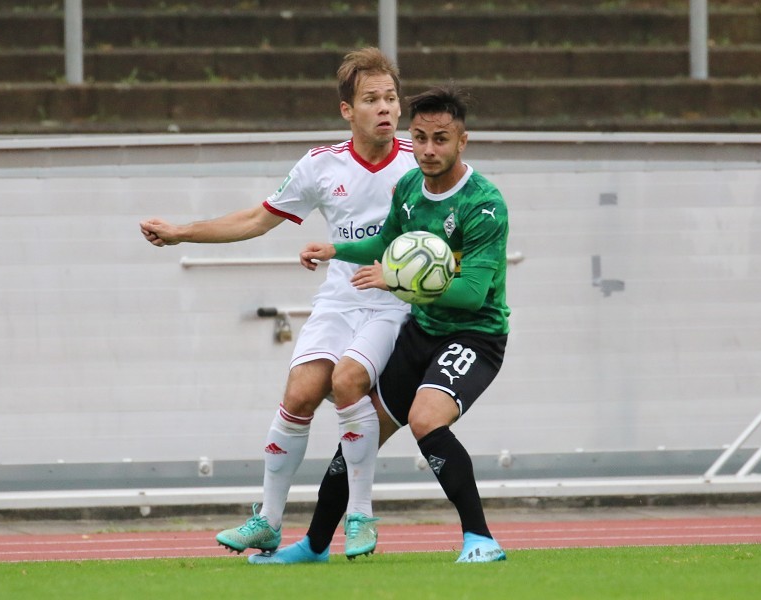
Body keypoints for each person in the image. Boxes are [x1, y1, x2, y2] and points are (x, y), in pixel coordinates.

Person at [139, 48, 416, 555]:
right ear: (346, 111)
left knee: (349, 380)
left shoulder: (418, 164)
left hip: (390, 303)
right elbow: (254, 220)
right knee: (299, 394)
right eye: (371, 99)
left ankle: (361, 517)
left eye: (391, 98)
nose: (385, 108)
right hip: (338, 301)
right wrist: (182, 232)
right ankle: (267, 520)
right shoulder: (320, 166)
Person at [252, 84, 510, 564]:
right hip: (422, 331)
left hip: (474, 334)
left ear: (462, 142)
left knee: (426, 418)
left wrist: (394, 280)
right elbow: (387, 243)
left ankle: (481, 539)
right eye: (422, 138)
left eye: (441, 139)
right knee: (363, 427)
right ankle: (313, 546)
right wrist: (337, 250)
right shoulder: (410, 187)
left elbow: (473, 293)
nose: (429, 150)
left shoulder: (484, 204)